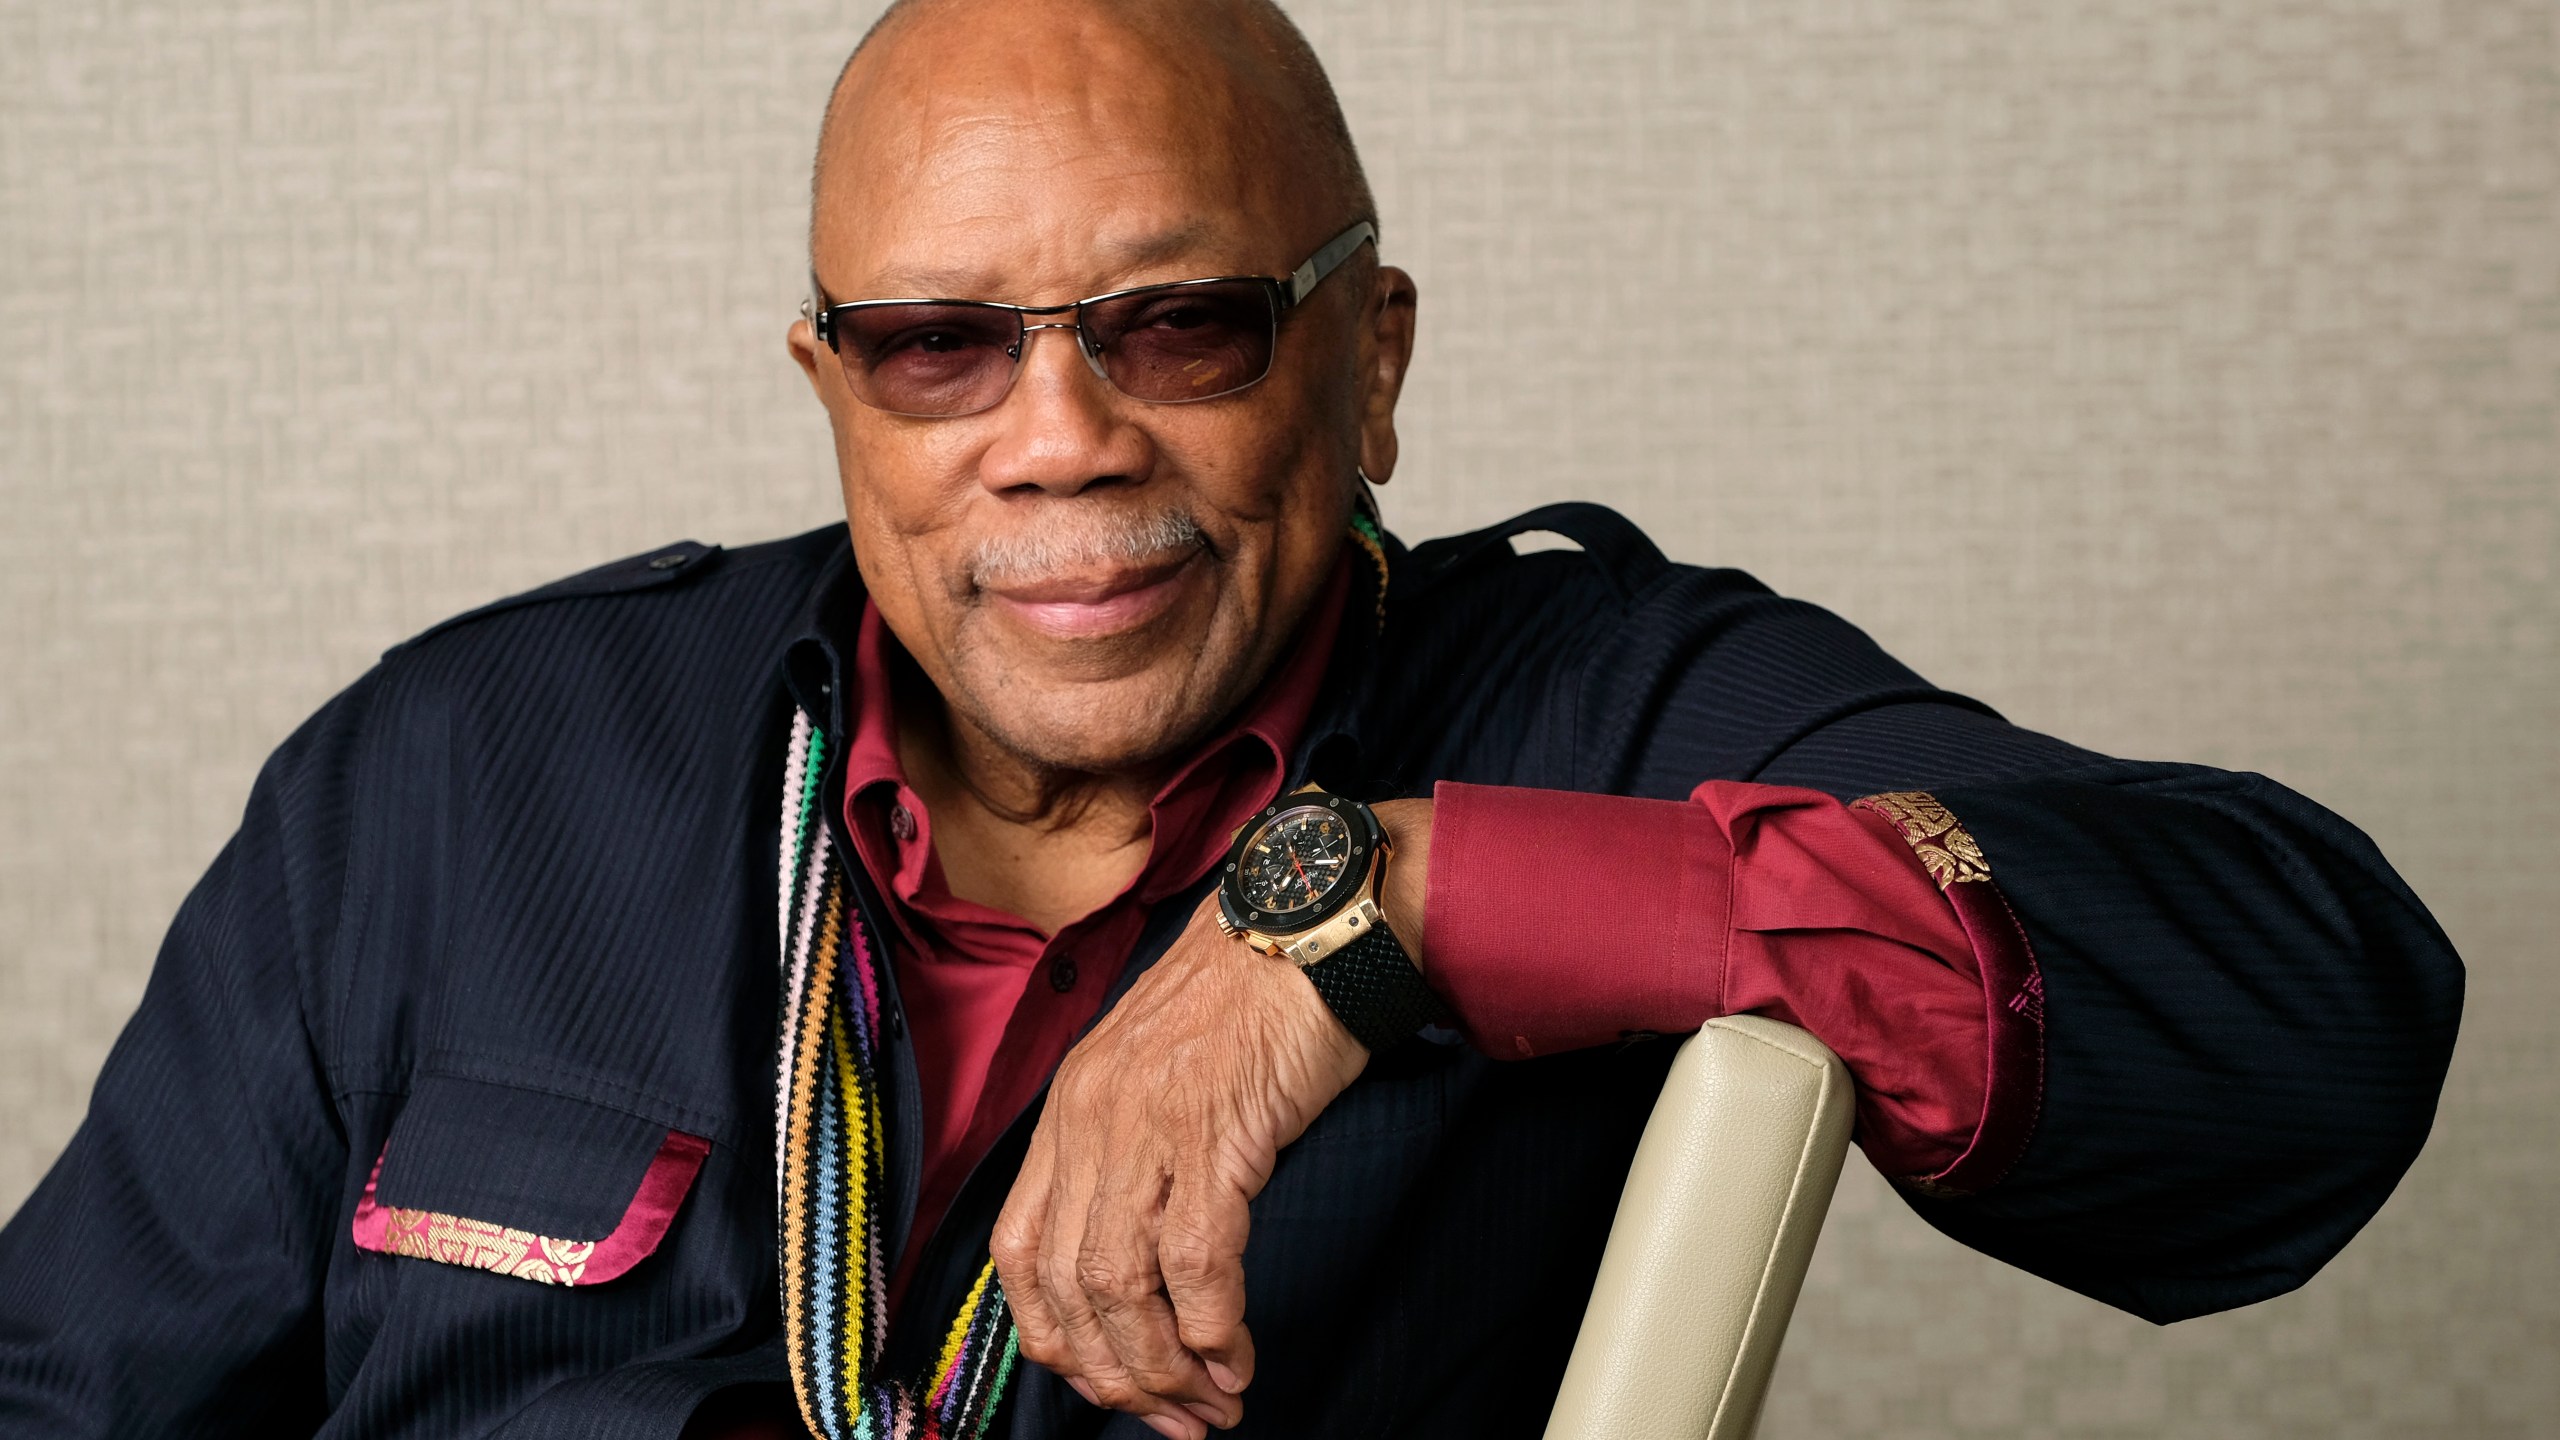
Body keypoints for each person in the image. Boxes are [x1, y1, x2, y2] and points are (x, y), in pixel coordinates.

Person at [0, 0, 2463, 1436]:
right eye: (938, 345)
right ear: (832, 390)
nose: (1055, 439)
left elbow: (2307, 1024)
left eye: (1177, 322)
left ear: (1365, 363)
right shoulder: (456, 767)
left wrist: (1383, 904)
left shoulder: (1606, 704)